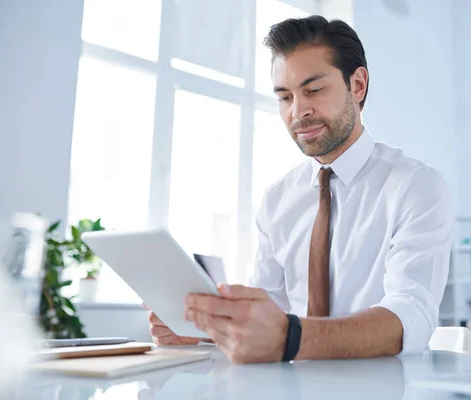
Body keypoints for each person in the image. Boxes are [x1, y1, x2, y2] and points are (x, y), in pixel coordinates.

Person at [147, 15, 453, 364]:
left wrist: (291, 339)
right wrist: (205, 331)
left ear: (357, 85)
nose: (298, 112)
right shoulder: (277, 200)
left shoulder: (417, 186)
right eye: (284, 97)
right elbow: (271, 310)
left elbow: (411, 316)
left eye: (314, 90)